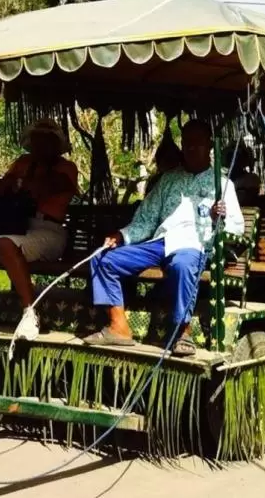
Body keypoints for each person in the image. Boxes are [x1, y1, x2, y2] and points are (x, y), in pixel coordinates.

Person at [85, 119, 244, 356]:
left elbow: (236, 228)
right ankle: (119, 327)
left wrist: (215, 220)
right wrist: (122, 235)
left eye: (197, 143)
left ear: (210, 145)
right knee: (102, 258)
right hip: (161, 242)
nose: (190, 148)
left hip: (194, 244)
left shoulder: (223, 184)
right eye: (186, 143)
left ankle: (183, 330)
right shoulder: (169, 179)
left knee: (182, 265)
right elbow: (147, 220)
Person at [0, 117, 79, 342]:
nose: (39, 146)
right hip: (14, 227)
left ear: (55, 144)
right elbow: (0, 186)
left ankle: (30, 312)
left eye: (46, 141)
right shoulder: (22, 163)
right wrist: (5, 185)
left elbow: (44, 189)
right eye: (36, 140)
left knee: (6, 242)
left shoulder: (66, 168)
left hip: (48, 232)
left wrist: (21, 182)